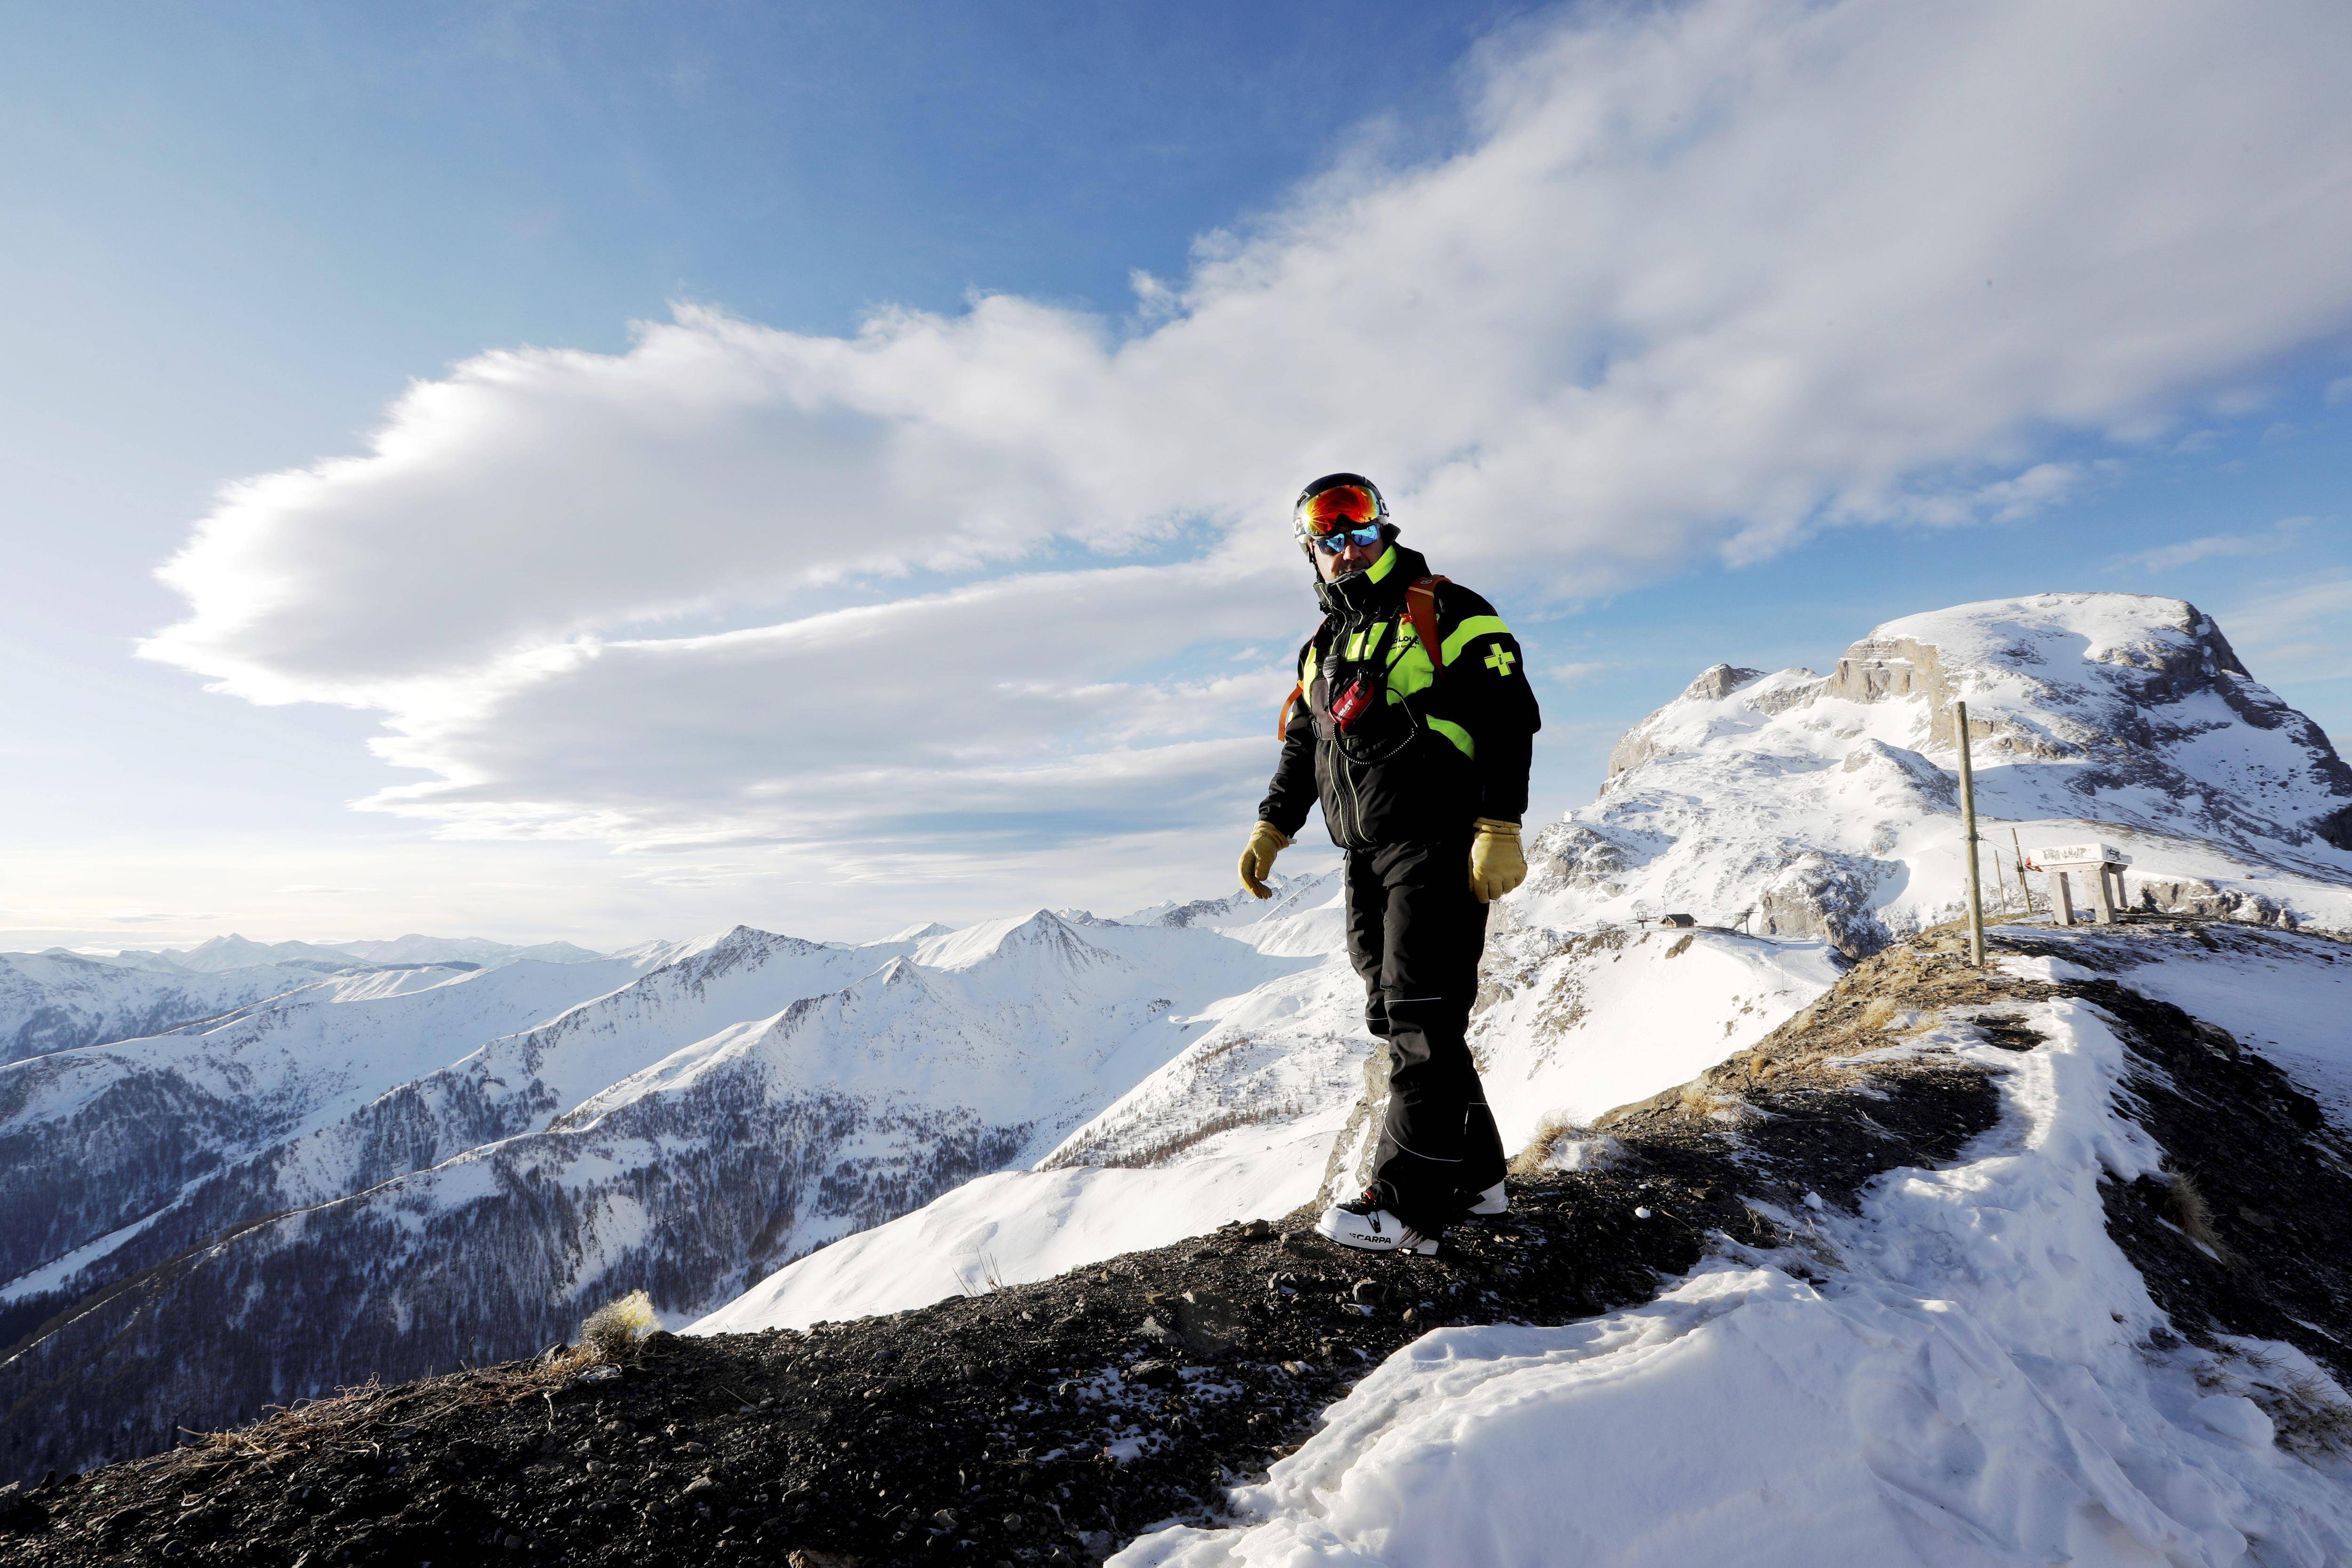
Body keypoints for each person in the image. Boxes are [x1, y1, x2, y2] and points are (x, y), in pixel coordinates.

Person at [1240, 473, 1540, 1255]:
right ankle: (1477, 1178)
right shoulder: (1323, 646)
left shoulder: (1447, 610)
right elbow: (1306, 743)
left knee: (1421, 1017)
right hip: (1365, 856)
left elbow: (1509, 717)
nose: (1347, 546)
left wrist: (1499, 823)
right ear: (1311, 551)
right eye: (1329, 535)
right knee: (1396, 1014)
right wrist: (1274, 825)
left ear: (1384, 527)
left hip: (1437, 843)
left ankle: (1408, 1208)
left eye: (1360, 526)